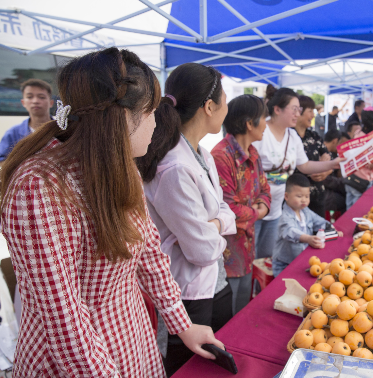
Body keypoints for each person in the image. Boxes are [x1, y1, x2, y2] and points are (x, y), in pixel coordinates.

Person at [0, 48, 224, 377]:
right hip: (74, 362)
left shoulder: (121, 166)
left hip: (130, 336)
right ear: (120, 118)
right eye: (150, 113)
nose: (156, 124)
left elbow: (149, 253)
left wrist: (183, 324)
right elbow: (64, 323)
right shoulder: (39, 187)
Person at [136, 63, 236, 375]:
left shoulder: (202, 156)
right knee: (189, 369)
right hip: (188, 292)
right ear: (209, 106)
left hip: (215, 282)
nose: (227, 108)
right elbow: (201, 250)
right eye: (225, 100)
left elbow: (226, 213)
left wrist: (214, 226)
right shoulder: (174, 167)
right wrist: (219, 225)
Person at [253, 86, 344, 259]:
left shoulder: (292, 136)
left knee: (265, 258)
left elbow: (305, 166)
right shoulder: (261, 133)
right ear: (277, 109)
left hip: (276, 208)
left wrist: (332, 164)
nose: (297, 114)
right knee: (250, 258)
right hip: (254, 206)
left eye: (299, 110)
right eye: (294, 109)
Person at [211, 95, 271, 316]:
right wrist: (258, 211)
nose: (266, 123)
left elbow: (266, 192)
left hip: (247, 249)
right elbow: (227, 210)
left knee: (243, 310)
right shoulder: (221, 157)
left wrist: (259, 208)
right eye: (263, 117)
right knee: (228, 317)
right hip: (227, 254)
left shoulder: (253, 153)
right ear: (249, 123)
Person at [272, 174, 343, 276]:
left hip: (303, 257)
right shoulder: (284, 216)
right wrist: (308, 238)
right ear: (286, 196)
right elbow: (290, 231)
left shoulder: (305, 211)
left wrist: (331, 229)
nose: (304, 200)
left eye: (307, 196)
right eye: (299, 196)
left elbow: (319, 221)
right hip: (285, 264)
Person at [294, 95, 332, 218]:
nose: (313, 115)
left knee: (318, 232)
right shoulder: (289, 136)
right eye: (310, 111)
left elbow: (328, 157)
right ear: (299, 112)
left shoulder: (314, 136)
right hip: (296, 199)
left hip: (317, 196)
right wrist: (317, 167)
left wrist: (326, 172)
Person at [0, 79, 54, 161]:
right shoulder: (13, 133)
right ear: (23, 102)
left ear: (51, 103)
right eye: (29, 97)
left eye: (41, 97)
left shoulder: (62, 131)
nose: (35, 101)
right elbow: (2, 160)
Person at [344, 107, 373, 209]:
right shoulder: (372, 139)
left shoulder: (357, 134)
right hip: (362, 181)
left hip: (350, 177)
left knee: (349, 209)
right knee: (358, 211)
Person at [323, 129, 347, 217]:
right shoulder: (323, 154)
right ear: (335, 141)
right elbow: (326, 179)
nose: (343, 148)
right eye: (342, 144)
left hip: (329, 192)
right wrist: (344, 181)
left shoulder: (331, 153)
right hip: (326, 196)